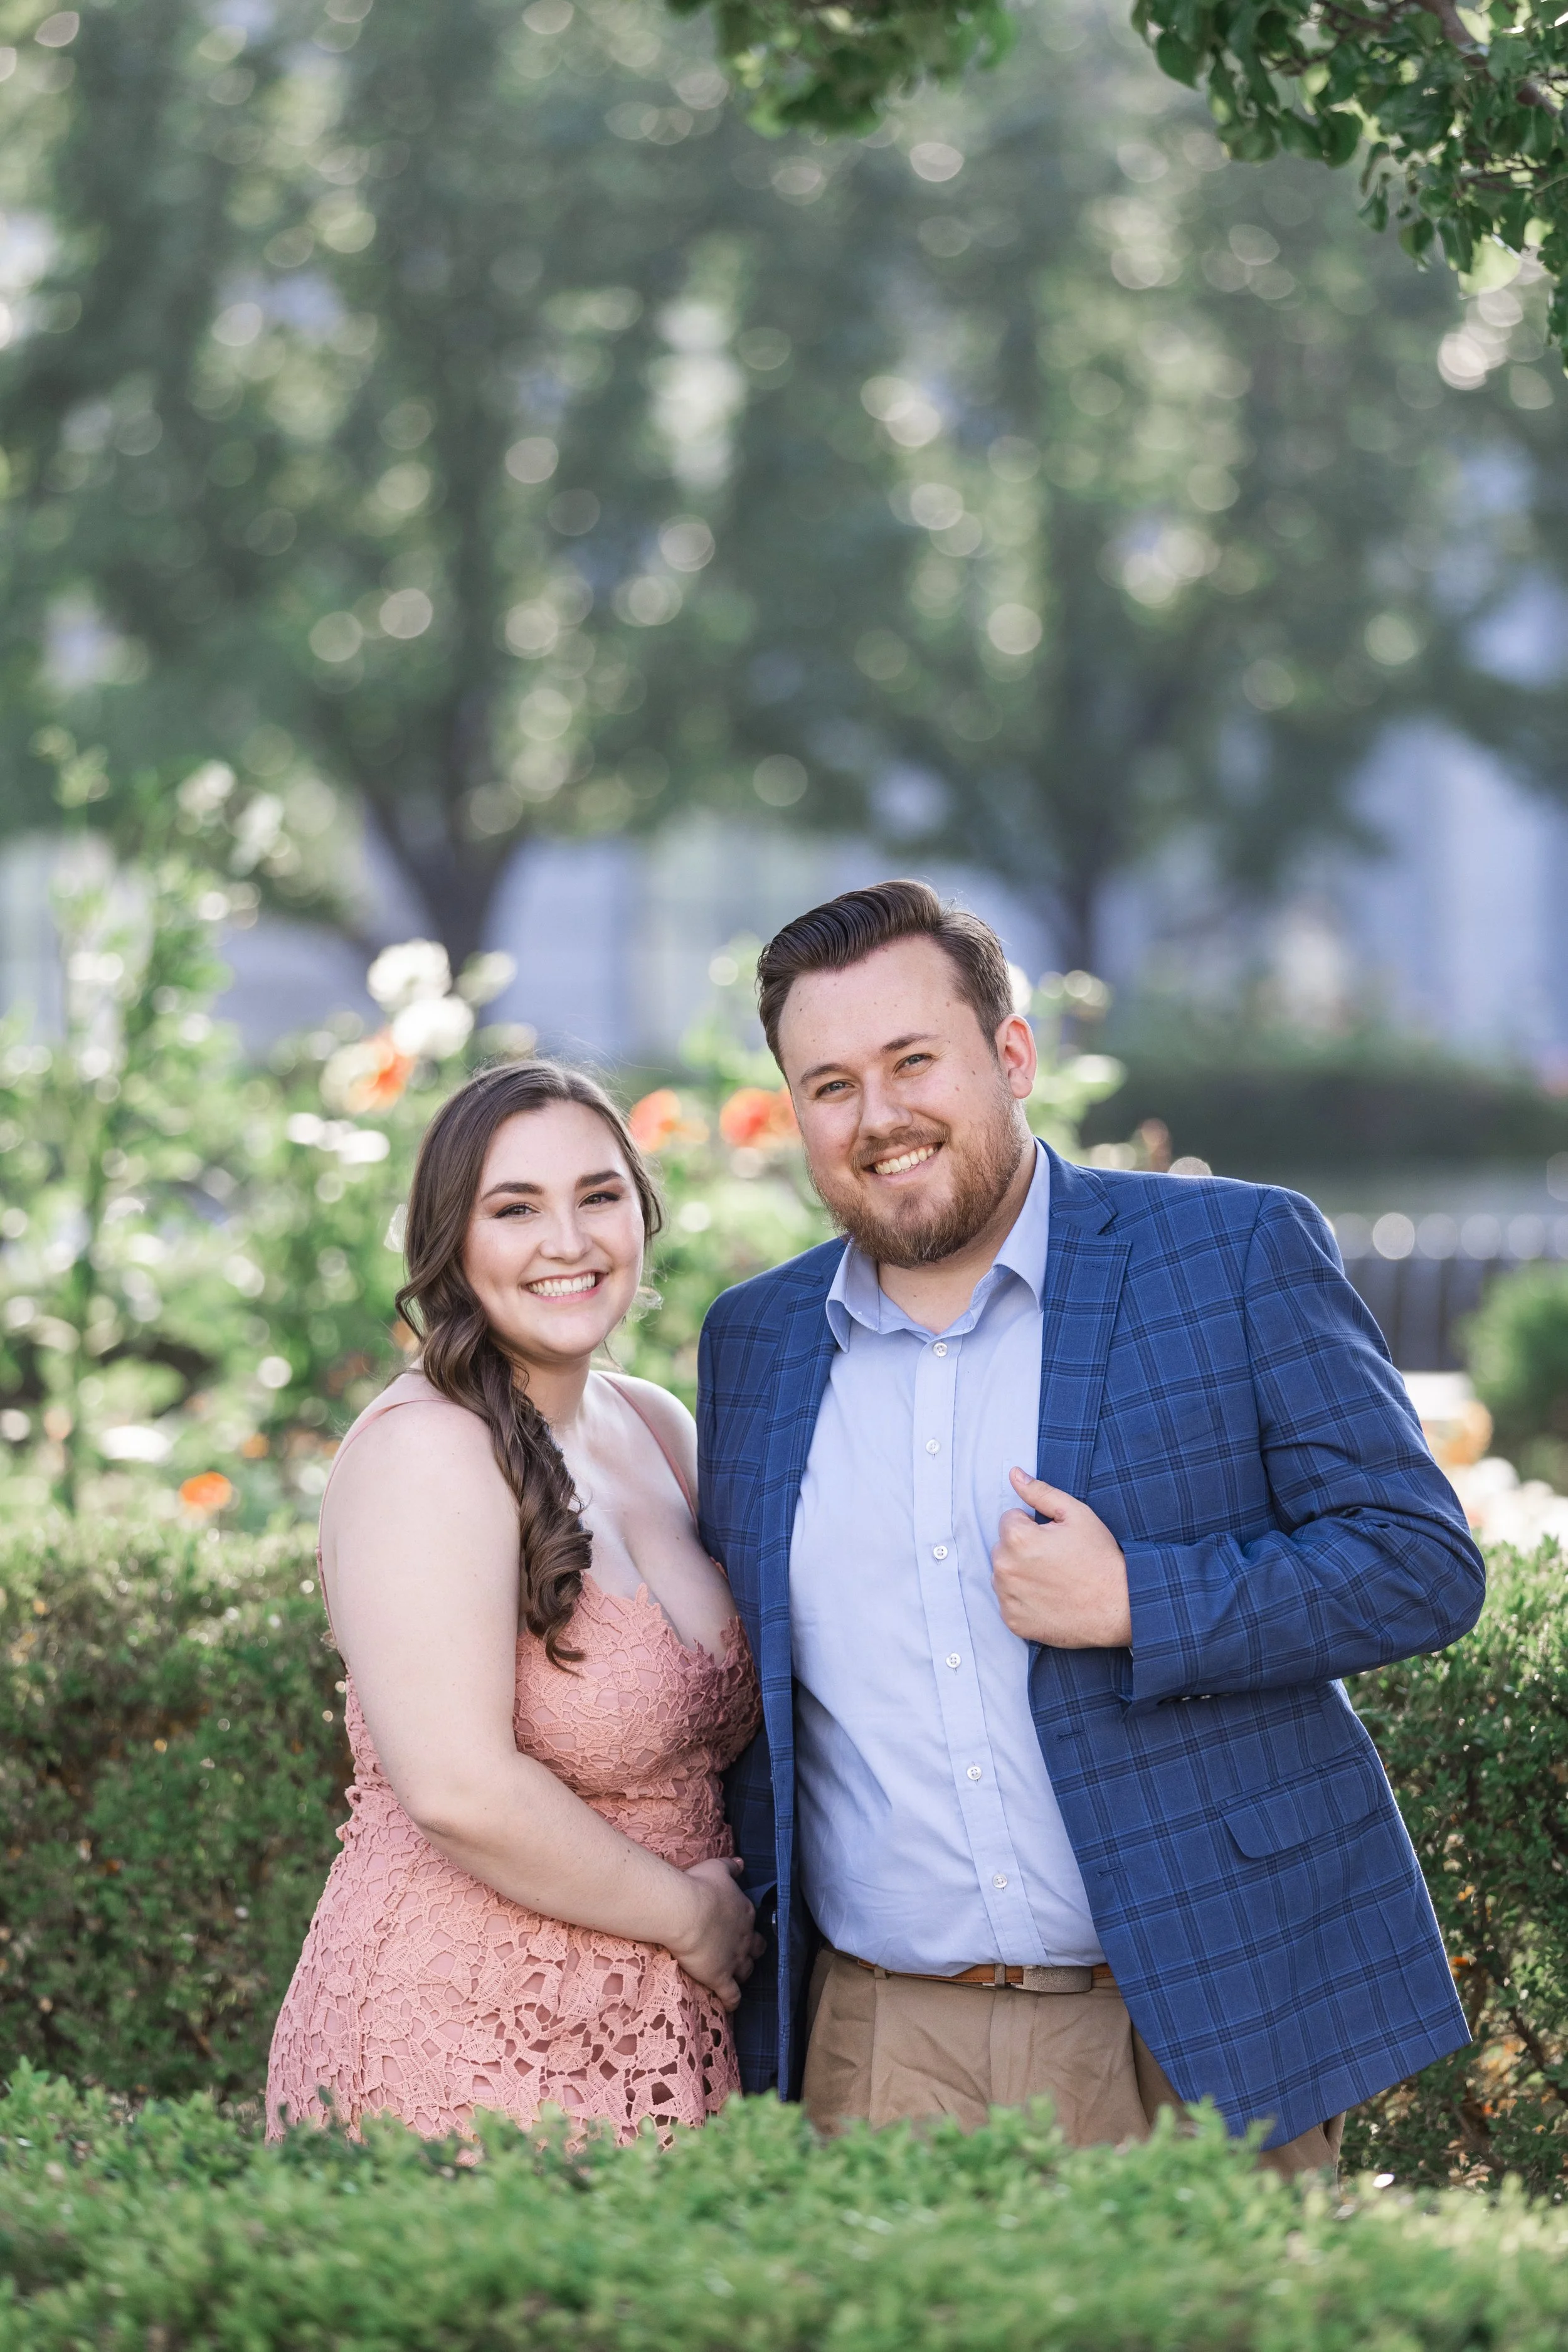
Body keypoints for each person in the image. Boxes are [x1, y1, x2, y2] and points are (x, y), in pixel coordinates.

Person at [699, 879, 1485, 2172]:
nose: (877, 1115)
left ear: (1010, 1055)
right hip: (877, 2046)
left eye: (912, 1061)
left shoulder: (1228, 1255)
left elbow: (1416, 1563)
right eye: (828, 1083)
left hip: (1203, 2023)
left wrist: (1138, 1601)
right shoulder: (754, 1343)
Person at [268, 1060, 762, 2145]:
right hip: (457, 2030)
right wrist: (696, 1917)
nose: (569, 1240)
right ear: (453, 1240)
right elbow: (457, 1788)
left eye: (599, 1194)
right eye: (516, 1208)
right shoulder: (429, 1454)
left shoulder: (659, 1428)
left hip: (666, 2027)